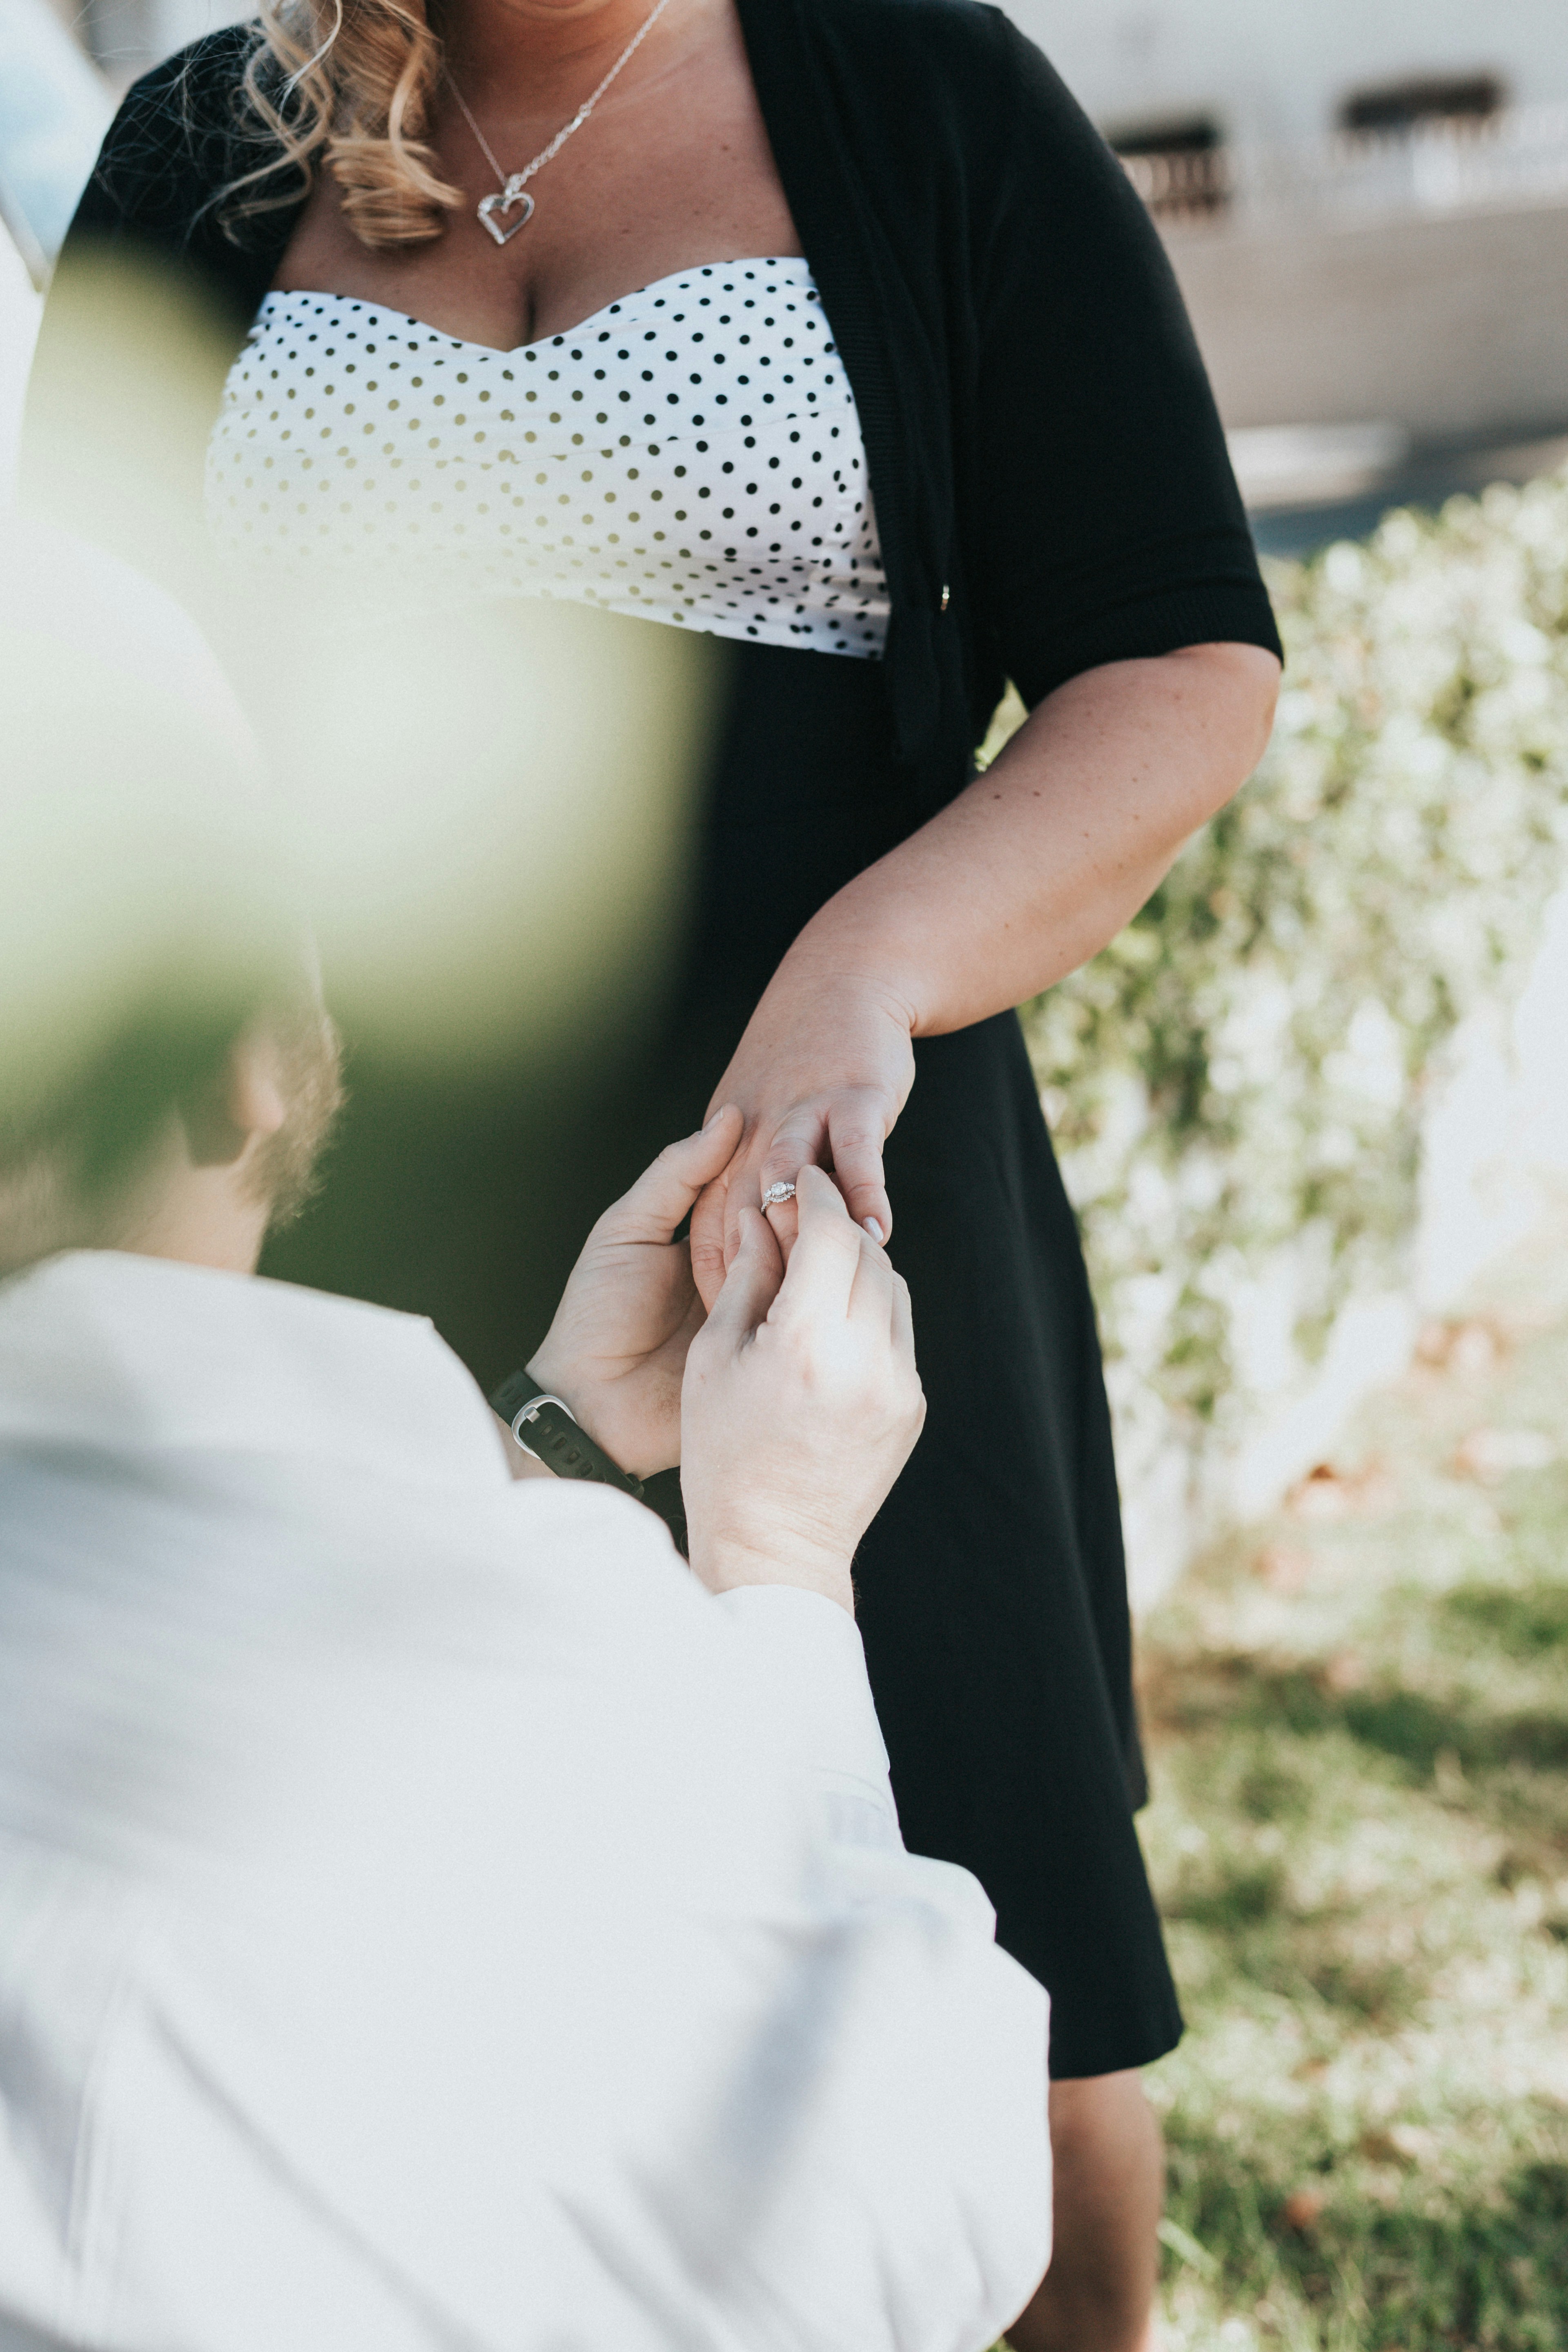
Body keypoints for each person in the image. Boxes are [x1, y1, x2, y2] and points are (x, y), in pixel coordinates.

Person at [34, 3, 1284, 2339]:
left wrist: (864, 974)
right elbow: (71, 704)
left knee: (987, 1997)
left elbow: (1179, 658)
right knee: (372, 2017)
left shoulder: (920, 90)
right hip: (317, 1248)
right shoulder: (200, 142)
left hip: (824, 1233)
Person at [0, 901, 1054, 2348]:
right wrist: (781, 1562)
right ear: (246, 1049)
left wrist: (545, 1433)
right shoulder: (510, 1725)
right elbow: (910, 2205)